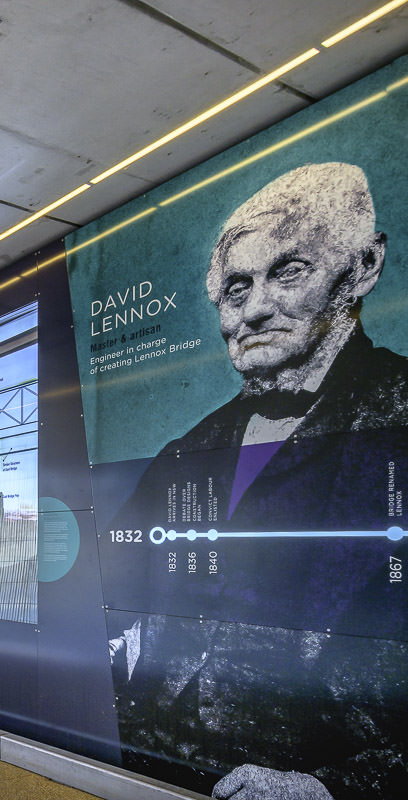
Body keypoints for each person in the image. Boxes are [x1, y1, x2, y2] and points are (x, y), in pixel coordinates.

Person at [108, 163, 408, 800]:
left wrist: (335, 790)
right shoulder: (188, 451)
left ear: (361, 270)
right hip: (147, 765)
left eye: (288, 272)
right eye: (238, 287)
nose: (257, 308)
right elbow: (110, 580)